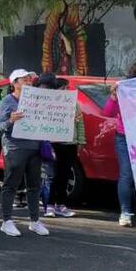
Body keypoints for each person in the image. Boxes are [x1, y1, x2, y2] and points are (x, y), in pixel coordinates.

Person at [0, 69, 50, 238]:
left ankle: (35, 221)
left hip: (34, 147)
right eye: (25, 79)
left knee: (34, 185)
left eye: (29, 78)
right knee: (11, 184)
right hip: (15, 147)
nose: (29, 81)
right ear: (15, 83)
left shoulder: (36, 100)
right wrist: (11, 120)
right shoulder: (6, 102)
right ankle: (7, 221)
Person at [103, 62, 136, 228]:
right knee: (126, 175)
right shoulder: (124, 90)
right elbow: (108, 113)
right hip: (125, 138)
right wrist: (113, 97)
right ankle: (125, 212)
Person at [37, 73, 85, 218]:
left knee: (65, 174)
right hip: (54, 144)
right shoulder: (49, 105)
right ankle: (49, 204)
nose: (65, 91)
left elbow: (80, 123)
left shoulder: (74, 104)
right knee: (52, 175)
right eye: (63, 88)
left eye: (66, 88)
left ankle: (61, 204)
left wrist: (81, 141)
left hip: (70, 143)